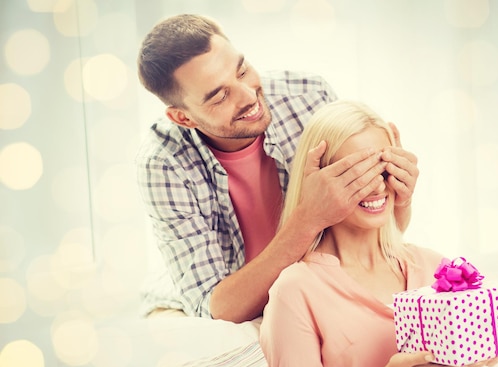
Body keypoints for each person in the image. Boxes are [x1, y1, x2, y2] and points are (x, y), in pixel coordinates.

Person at [135, 14, 419, 322]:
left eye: (242, 70)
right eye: (220, 96)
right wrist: (307, 220)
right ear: (183, 118)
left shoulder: (308, 96)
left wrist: (399, 195)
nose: (248, 96)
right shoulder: (163, 162)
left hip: (309, 276)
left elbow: (367, 234)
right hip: (212, 298)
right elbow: (218, 308)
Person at [260, 100, 498, 367]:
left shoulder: (436, 268)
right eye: (355, 173)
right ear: (320, 184)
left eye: (383, 166)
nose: (377, 185)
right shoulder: (296, 290)